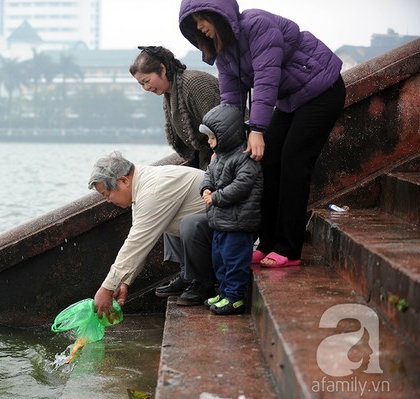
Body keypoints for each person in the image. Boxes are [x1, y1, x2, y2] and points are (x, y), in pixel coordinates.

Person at [179, 0, 346, 268]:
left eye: (202, 19)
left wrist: (257, 129)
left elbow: (267, 79)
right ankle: (267, 242)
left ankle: (289, 248)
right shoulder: (224, 50)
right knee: (265, 162)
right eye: (194, 24)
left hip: (321, 89)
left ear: (218, 14)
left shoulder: (257, 24)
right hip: (291, 99)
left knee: (293, 159)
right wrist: (222, 146)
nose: (199, 27)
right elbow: (231, 101)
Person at [129, 46, 220, 297]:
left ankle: (199, 279)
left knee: (188, 214)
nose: (147, 88)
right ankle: (186, 272)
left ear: (162, 69)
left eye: (147, 81)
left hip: (226, 165)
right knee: (170, 206)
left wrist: (213, 173)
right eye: (141, 85)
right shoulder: (170, 94)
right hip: (204, 163)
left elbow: (223, 129)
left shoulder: (195, 84)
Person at [88, 151, 216, 318]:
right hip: (209, 228)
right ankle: (187, 276)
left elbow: (137, 243)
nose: (108, 200)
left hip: (228, 228)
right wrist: (124, 282)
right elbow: (141, 241)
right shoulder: (141, 186)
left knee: (188, 224)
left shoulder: (153, 191)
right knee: (166, 222)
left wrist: (107, 288)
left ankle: (202, 283)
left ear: (124, 180)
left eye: (107, 194)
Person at [198, 104, 263, 314]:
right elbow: (208, 174)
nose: (209, 142)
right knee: (220, 260)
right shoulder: (219, 157)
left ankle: (235, 297)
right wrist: (206, 188)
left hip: (238, 223)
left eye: (212, 137)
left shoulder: (244, 158)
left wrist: (215, 197)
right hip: (221, 222)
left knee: (234, 261)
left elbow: (242, 186)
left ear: (226, 135)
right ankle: (225, 292)